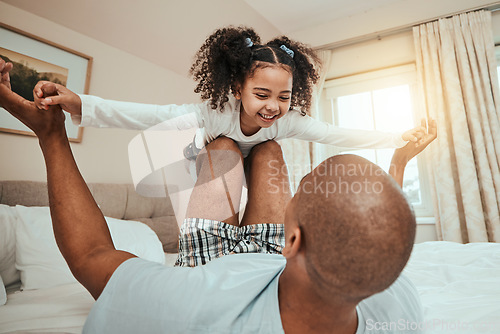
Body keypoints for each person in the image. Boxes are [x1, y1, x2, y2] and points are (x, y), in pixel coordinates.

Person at [0, 58, 436, 333]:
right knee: (265, 150)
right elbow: (382, 231)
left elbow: (92, 255)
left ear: (295, 239)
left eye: (298, 197)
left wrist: (53, 134)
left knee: (226, 149)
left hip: (210, 267)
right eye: (261, 94)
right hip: (269, 256)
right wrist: (397, 159)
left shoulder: (190, 307)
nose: (272, 105)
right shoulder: (396, 302)